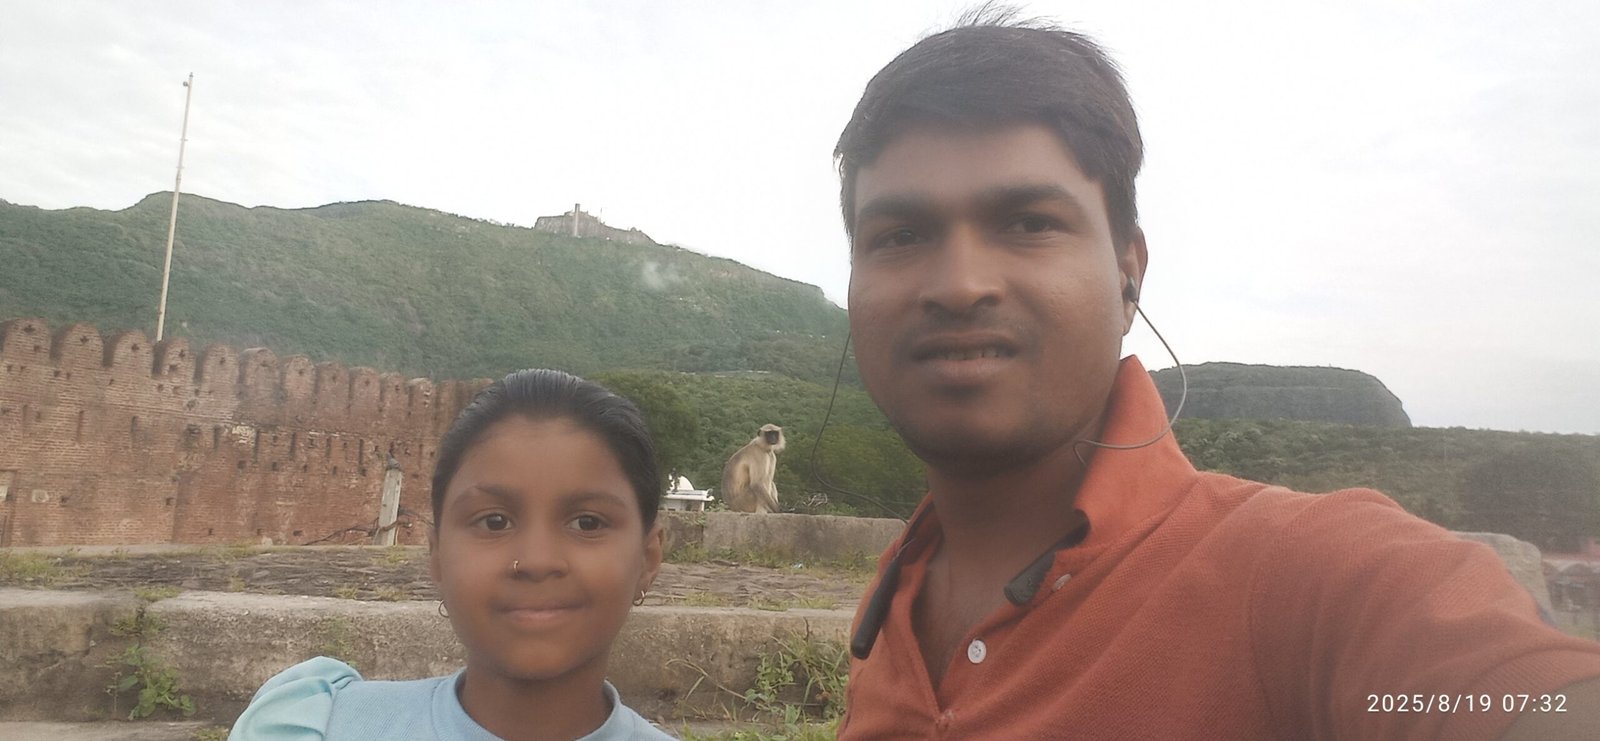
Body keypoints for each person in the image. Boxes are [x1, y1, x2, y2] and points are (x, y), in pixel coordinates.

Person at [833, 9, 1600, 740]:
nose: (960, 283)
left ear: (1129, 273)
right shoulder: (892, 596)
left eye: (1030, 223)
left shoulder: (1314, 580)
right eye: (900, 235)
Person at [229, 369, 674, 740]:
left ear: (648, 558)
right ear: (437, 553)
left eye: (587, 523)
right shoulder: (321, 726)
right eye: (494, 521)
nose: (537, 561)